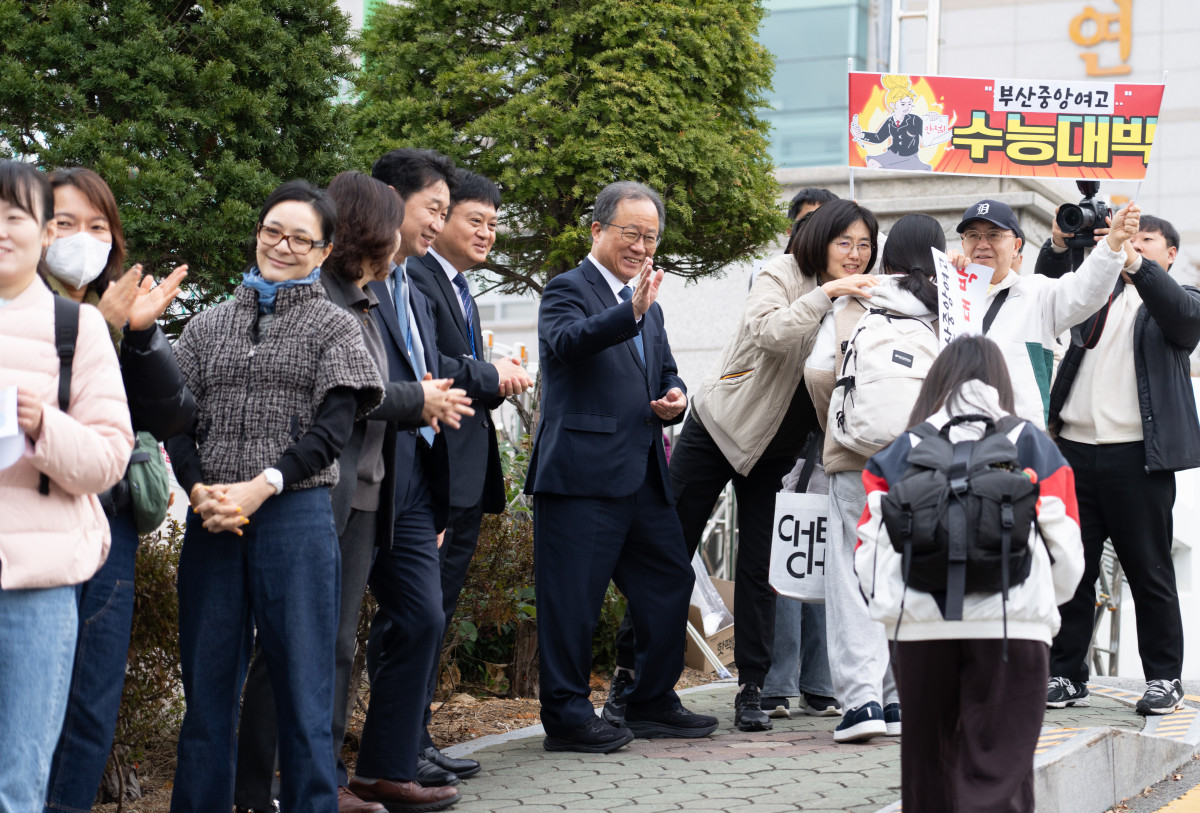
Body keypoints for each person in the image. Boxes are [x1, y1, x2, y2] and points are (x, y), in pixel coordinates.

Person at [231, 171, 473, 813]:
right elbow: (350, 395)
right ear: (373, 228)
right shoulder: (324, 298)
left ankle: (344, 776)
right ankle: (280, 785)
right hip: (319, 491)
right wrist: (417, 399)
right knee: (301, 643)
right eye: (399, 221)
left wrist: (421, 399)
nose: (406, 236)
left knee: (358, 634)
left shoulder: (367, 293)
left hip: (372, 492)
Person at [165, 180, 384, 813]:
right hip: (213, 521)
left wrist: (264, 486)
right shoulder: (206, 327)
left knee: (303, 690)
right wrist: (200, 490)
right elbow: (179, 421)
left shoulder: (336, 328)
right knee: (206, 695)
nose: (282, 246)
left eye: (300, 239)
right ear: (257, 233)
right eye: (272, 232)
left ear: (324, 251)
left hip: (294, 516)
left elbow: (332, 431)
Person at [855, 335, 1084, 813]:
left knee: (928, 773)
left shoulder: (901, 451)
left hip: (918, 627)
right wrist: (1040, 605)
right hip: (1013, 628)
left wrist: (896, 606)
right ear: (1001, 383)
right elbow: (1068, 555)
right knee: (1001, 775)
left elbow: (869, 553)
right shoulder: (1033, 446)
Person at [527, 180, 717, 753]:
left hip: (640, 473)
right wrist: (627, 313)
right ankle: (565, 717)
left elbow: (666, 372)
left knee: (668, 582)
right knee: (573, 602)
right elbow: (567, 343)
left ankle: (649, 699)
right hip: (581, 477)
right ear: (598, 230)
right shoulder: (568, 289)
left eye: (650, 238)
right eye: (631, 233)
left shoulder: (647, 305)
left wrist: (675, 396)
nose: (641, 246)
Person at [42, 167, 195, 813]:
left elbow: (171, 414)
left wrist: (140, 334)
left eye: (98, 226)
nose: (83, 238)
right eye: (66, 223)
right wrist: (95, 333)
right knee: (27, 705)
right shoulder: (15, 310)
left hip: (110, 533)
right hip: (33, 532)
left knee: (90, 705)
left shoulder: (119, 311)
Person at [0, 159, 133, 811]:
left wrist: (43, 425)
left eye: (16, 216)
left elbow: (110, 457)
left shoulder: (73, 328)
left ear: (42, 235)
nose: (2, 229)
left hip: (39, 584)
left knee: (19, 780)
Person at [1042, 211, 1200, 715]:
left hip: (1139, 457)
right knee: (1072, 569)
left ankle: (1163, 678)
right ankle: (1064, 674)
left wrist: (1132, 260)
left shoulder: (1180, 298)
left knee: (1149, 570)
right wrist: (1058, 245)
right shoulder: (1092, 293)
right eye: (1127, 237)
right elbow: (1045, 298)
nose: (1132, 244)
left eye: (1146, 239)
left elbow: (1184, 319)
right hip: (1073, 450)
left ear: (1169, 253)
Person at [345, 149, 461, 810]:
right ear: (390, 200)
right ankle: (298, 775)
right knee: (327, 632)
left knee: (422, 614)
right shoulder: (346, 281)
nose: (440, 223)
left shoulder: (411, 283)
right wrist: (418, 397)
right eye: (434, 209)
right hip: (361, 472)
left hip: (414, 474)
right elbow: (366, 387)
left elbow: (429, 365)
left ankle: (383, 768)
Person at [409, 168, 533, 781]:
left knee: (438, 610)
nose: (486, 234)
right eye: (472, 220)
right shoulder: (418, 277)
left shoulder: (458, 286)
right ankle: (402, 745)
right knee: (417, 614)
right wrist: (492, 375)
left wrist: (492, 374)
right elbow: (438, 366)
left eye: (493, 224)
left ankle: (417, 735)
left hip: (461, 478)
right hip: (431, 475)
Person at [803, 211, 941, 742]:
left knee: (850, 574)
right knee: (905, 577)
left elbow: (818, 373)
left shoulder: (857, 300)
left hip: (856, 461)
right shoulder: (944, 311)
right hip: (920, 466)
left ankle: (861, 704)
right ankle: (899, 698)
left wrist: (841, 426)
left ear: (887, 255)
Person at [955, 198, 1141, 428]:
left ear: (1015, 246)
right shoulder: (946, 293)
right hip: (955, 435)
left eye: (994, 235)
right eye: (973, 235)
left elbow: (1086, 290)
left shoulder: (1037, 292)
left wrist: (1113, 243)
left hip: (1018, 439)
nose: (982, 244)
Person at [850, 75, 941, 171]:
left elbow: (928, 138)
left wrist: (932, 120)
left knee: (921, 170)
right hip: (891, 155)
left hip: (910, 157)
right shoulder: (890, 121)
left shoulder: (915, 120)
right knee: (872, 163)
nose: (907, 107)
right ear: (893, 105)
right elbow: (878, 138)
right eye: (903, 104)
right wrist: (861, 134)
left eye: (909, 104)